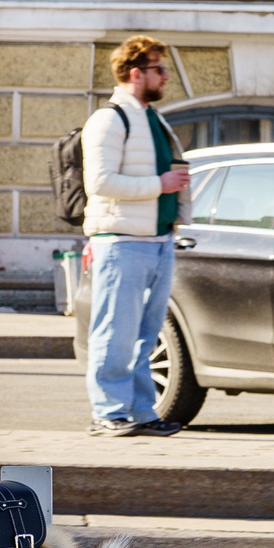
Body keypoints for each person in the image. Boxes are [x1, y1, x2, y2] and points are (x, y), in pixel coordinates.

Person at [80, 36, 192, 436]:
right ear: (135, 73)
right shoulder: (110, 119)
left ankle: (144, 412)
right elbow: (100, 181)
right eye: (159, 69)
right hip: (121, 241)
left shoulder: (152, 118)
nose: (165, 77)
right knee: (114, 331)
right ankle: (108, 413)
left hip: (157, 241)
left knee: (147, 334)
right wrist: (159, 184)